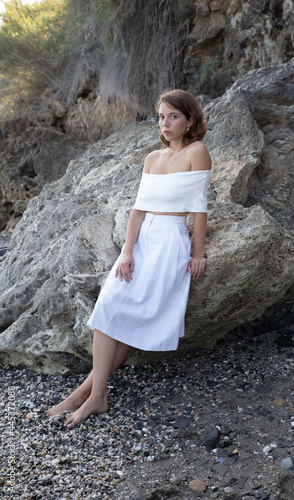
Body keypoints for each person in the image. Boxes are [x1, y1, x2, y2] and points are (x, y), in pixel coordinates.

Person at [46, 89, 212, 428]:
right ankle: (90, 395)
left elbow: (198, 209)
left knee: (128, 320)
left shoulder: (198, 152)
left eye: (174, 117)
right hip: (142, 240)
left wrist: (198, 254)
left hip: (169, 242)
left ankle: (89, 396)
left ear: (189, 120)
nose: (165, 123)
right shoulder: (153, 158)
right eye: (162, 116)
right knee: (108, 310)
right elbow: (137, 211)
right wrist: (126, 251)